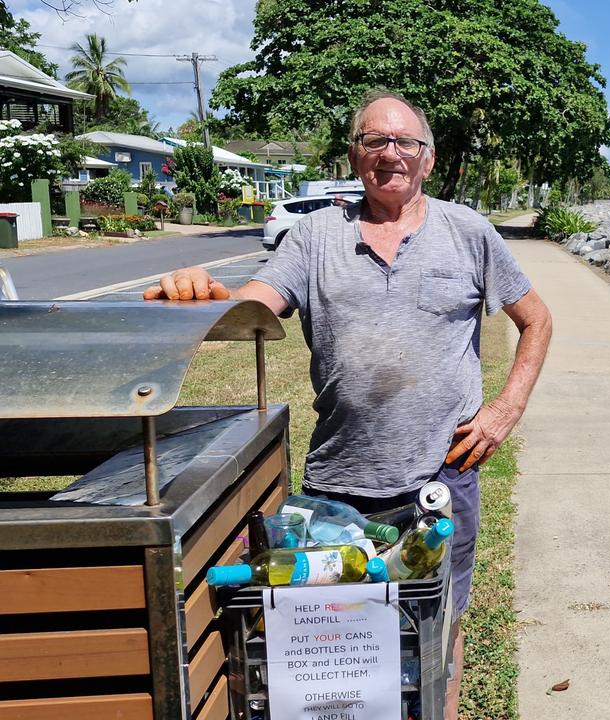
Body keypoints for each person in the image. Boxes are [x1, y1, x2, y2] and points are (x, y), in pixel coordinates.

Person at [143, 88, 552, 718]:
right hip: (340, 484)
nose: (390, 154)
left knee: (440, 625)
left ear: (429, 159)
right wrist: (200, 293)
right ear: (355, 153)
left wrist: (504, 412)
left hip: (443, 476)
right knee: (344, 637)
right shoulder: (312, 237)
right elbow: (254, 306)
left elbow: (537, 320)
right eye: (374, 141)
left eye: (405, 143)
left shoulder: (468, 232)